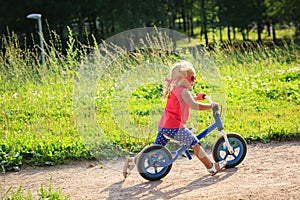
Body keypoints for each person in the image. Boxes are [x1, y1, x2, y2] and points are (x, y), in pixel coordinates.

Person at [123, 60, 227, 179]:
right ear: (182, 79)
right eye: (192, 78)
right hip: (174, 127)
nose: (194, 81)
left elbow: (185, 101)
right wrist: (210, 106)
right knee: (195, 144)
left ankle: (132, 162)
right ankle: (211, 167)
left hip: (164, 126)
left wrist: (196, 97)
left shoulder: (174, 90)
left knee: (156, 147)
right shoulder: (184, 92)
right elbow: (194, 106)